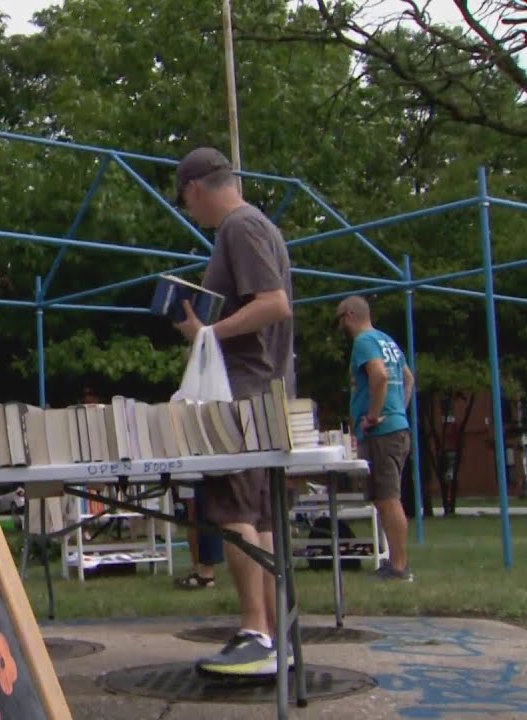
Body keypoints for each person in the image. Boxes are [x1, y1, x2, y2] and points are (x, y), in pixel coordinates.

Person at [171, 147, 295, 676]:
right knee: (261, 517)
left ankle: (254, 633)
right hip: (268, 389)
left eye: (186, 203)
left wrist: (205, 333)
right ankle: (270, 633)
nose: (190, 212)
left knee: (234, 512)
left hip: (242, 391)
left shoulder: (238, 229)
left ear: (195, 188)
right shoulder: (261, 225)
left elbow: (273, 303)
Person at [336, 295, 416, 581]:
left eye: (339, 320)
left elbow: (379, 377)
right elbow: (407, 379)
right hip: (397, 428)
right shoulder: (387, 341)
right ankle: (395, 563)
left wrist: (372, 415)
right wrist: (398, 410)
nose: (340, 327)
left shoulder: (364, 342)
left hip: (381, 432)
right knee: (385, 498)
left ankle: (398, 567)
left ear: (349, 315)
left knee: (388, 498)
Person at [175, 482, 224, 589]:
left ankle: (206, 572)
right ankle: (198, 569)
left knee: (207, 511)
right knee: (193, 516)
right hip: (188, 471)